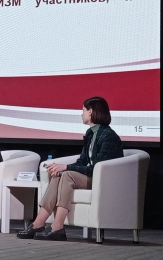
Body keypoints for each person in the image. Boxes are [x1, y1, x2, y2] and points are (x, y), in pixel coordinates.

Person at [17, 96, 123, 241]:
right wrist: (63, 168)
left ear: (91, 111)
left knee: (67, 175)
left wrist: (67, 167)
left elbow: (97, 168)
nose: (81, 114)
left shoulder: (108, 136)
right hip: (92, 176)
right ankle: (38, 223)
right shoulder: (91, 134)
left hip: (103, 180)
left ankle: (57, 227)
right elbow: (82, 161)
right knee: (59, 175)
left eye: (83, 110)